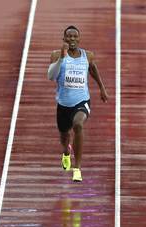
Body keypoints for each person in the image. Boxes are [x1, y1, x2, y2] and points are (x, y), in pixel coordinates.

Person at [47, 25, 108, 182]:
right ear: (64, 39)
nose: (72, 39)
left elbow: (93, 69)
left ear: (79, 39)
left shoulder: (87, 55)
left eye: (75, 37)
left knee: (78, 125)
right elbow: (51, 76)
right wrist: (61, 57)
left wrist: (102, 88)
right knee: (64, 136)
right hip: (63, 104)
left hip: (82, 101)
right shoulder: (55, 55)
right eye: (69, 37)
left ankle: (78, 168)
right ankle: (66, 152)